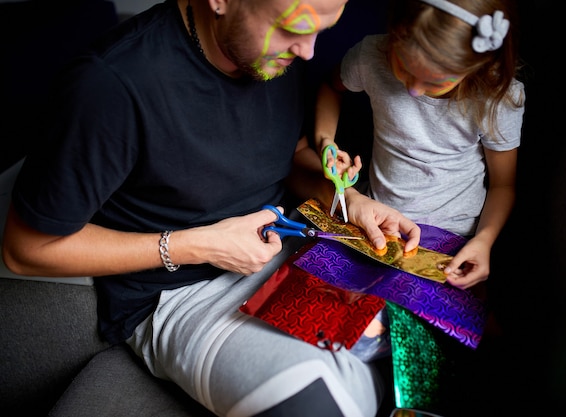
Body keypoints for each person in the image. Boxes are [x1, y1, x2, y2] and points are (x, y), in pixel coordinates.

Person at [1, 1, 422, 416]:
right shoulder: (110, 85)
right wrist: (200, 246)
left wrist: (348, 201)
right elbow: (26, 250)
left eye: (321, 31)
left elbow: (289, 153)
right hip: (183, 292)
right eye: (295, 29)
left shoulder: (276, 51)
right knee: (325, 403)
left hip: (296, 239)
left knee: (427, 329)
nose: (308, 51)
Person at [315, 0, 525, 361]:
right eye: (404, 67)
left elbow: (503, 185)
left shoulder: (497, 96)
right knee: (331, 324)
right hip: (374, 225)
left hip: (449, 240)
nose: (413, 89)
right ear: (396, 34)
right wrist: (326, 141)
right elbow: (331, 87)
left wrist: (485, 242)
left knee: (434, 345)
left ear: (477, 65)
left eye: (436, 81)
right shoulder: (372, 55)